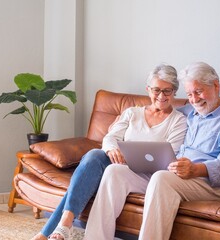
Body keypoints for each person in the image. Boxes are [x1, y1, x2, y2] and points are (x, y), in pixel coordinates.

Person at [83, 62, 220, 240]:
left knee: (162, 178)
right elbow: (160, 114)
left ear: (216, 85)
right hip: (174, 174)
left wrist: (196, 169)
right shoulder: (187, 112)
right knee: (114, 171)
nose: (194, 99)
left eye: (199, 91)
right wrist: (117, 126)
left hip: (210, 184)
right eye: (189, 94)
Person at [31, 63, 187, 240]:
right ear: (148, 89)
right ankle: (65, 224)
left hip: (147, 174)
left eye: (167, 91)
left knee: (95, 173)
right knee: (94, 155)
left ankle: (51, 231)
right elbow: (110, 137)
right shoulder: (132, 113)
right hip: (119, 164)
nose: (161, 96)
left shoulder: (179, 121)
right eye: (156, 90)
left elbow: (169, 154)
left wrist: (129, 157)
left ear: (175, 91)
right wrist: (112, 148)